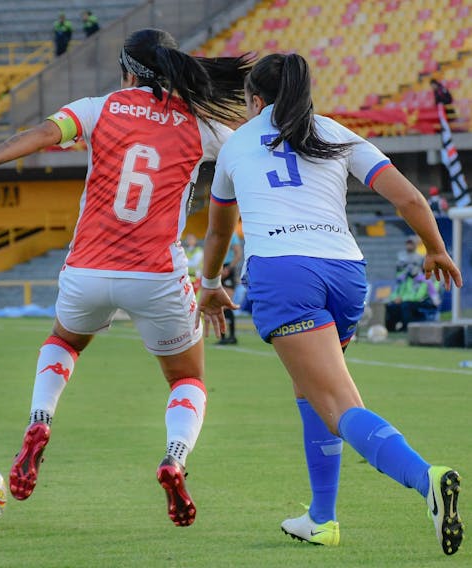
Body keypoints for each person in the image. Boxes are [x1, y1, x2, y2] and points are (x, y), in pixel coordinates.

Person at [0, 28, 252, 527]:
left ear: (127, 69)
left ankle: (40, 421)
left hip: (87, 268)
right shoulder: (204, 127)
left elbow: (40, 134)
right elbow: (247, 162)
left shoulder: (99, 108)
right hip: (157, 276)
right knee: (186, 378)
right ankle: (174, 458)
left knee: (64, 341)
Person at [197, 53, 463, 555]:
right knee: (312, 390)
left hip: (282, 272)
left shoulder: (235, 145)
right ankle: (321, 518)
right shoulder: (335, 132)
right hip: (346, 272)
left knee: (338, 403)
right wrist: (437, 249)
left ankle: (427, 477)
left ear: (255, 100)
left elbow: (218, 228)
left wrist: (210, 281)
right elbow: (408, 198)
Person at [385, 262, 441, 331]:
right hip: (410, 301)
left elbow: (420, 296)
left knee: (405, 305)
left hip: (426, 302)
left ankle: (407, 328)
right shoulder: (406, 279)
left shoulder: (425, 280)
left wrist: (402, 299)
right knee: (392, 306)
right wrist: (396, 299)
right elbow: (399, 292)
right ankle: (391, 329)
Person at [217, 232, 242, 345]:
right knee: (219, 304)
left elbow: (238, 254)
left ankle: (231, 336)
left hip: (228, 269)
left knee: (226, 304)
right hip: (218, 268)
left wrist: (228, 269)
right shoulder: (215, 232)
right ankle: (224, 337)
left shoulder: (232, 235)